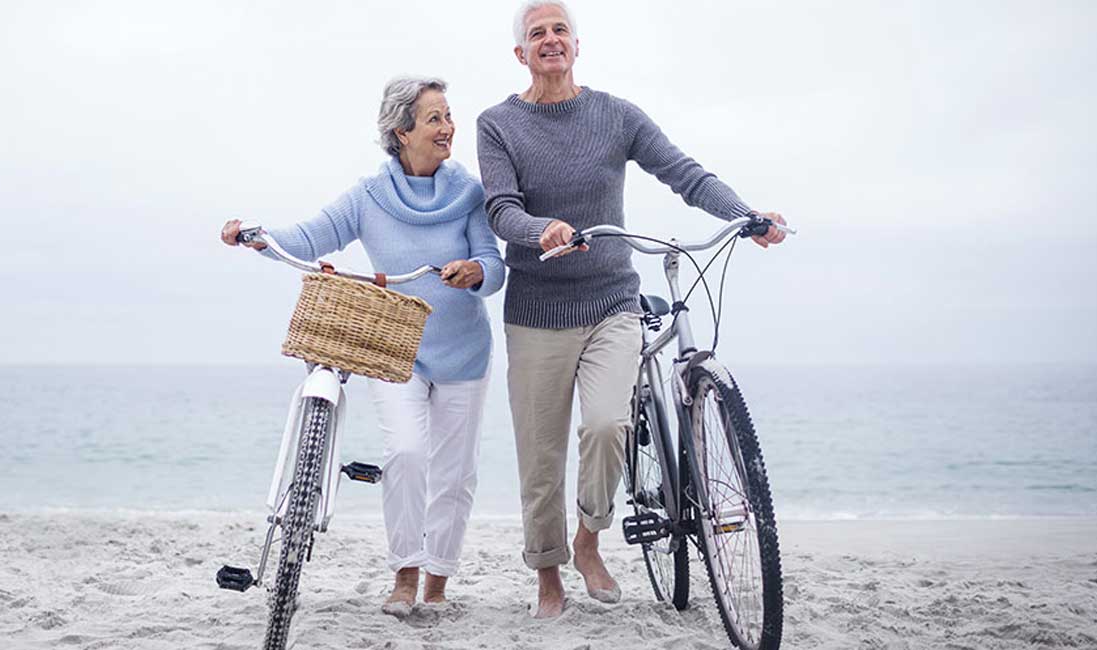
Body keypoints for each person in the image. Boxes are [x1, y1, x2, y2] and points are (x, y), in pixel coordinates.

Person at [475, 0, 790, 619]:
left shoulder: (616, 115)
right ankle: (548, 579)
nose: (550, 40)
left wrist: (744, 215)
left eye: (560, 30)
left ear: (576, 44)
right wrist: (542, 230)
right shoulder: (498, 124)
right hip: (536, 312)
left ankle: (589, 541)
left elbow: (685, 173)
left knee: (607, 426)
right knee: (541, 459)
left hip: (611, 302)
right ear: (520, 53)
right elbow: (500, 210)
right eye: (536, 34)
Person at [220, 76, 506, 617]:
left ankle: (438, 581)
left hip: (465, 352)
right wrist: (256, 236)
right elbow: (309, 237)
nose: (448, 128)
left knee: (455, 473)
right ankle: (405, 572)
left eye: (448, 116)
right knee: (405, 452)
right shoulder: (370, 196)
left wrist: (474, 272)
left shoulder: (469, 194)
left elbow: (494, 265)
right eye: (434, 118)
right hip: (396, 353)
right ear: (401, 132)